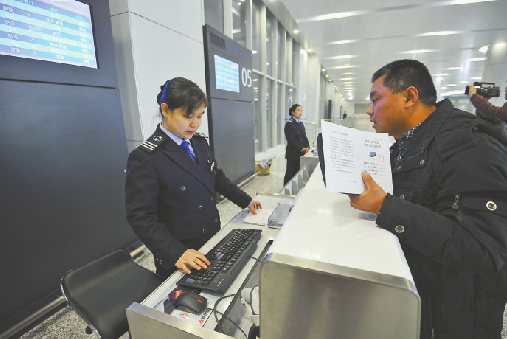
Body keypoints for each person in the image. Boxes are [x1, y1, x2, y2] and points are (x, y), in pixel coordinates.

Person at [348, 60, 507, 338]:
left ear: (410, 96)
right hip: (423, 303)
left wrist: (385, 206)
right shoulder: (410, 144)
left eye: (376, 99)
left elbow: (483, 249)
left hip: (453, 321)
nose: (369, 110)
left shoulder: (468, 146)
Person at [125, 77, 261, 279]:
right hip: (182, 254)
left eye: (200, 116)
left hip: (211, 237)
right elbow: (141, 216)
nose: (195, 124)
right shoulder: (146, 157)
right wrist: (176, 253)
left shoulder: (197, 143)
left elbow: (217, 178)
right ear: (165, 109)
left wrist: (246, 201)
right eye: (188, 116)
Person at [283, 104, 310, 186]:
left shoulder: (301, 124)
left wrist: (308, 146)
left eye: (301, 110)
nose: (300, 112)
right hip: (293, 154)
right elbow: (291, 140)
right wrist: (302, 148)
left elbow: (304, 137)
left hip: (301, 154)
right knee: (290, 174)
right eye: (298, 110)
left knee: (298, 174)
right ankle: (285, 190)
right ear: (293, 112)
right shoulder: (289, 124)